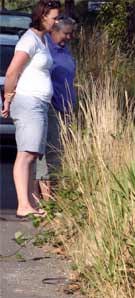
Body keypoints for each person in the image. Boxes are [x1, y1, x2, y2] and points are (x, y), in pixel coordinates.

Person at [1, 0, 61, 219]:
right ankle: (23, 204)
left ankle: (31, 203)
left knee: (33, 153)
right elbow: (11, 73)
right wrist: (7, 98)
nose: (56, 22)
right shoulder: (28, 40)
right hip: (28, 103)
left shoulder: (42, 40)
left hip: (40, 104)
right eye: (54, 17)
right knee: (25, 154)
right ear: (42, 15)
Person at [36, 15, 77, 201]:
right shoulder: (46, 49)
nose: (69, 37)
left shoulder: (64, 50)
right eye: (66, 34)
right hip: (52, 107)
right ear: (54, 31)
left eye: (71, 34)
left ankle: (58, 194)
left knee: (62, 152)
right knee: (51, 152)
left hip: (67, 108)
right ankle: (47, 197)